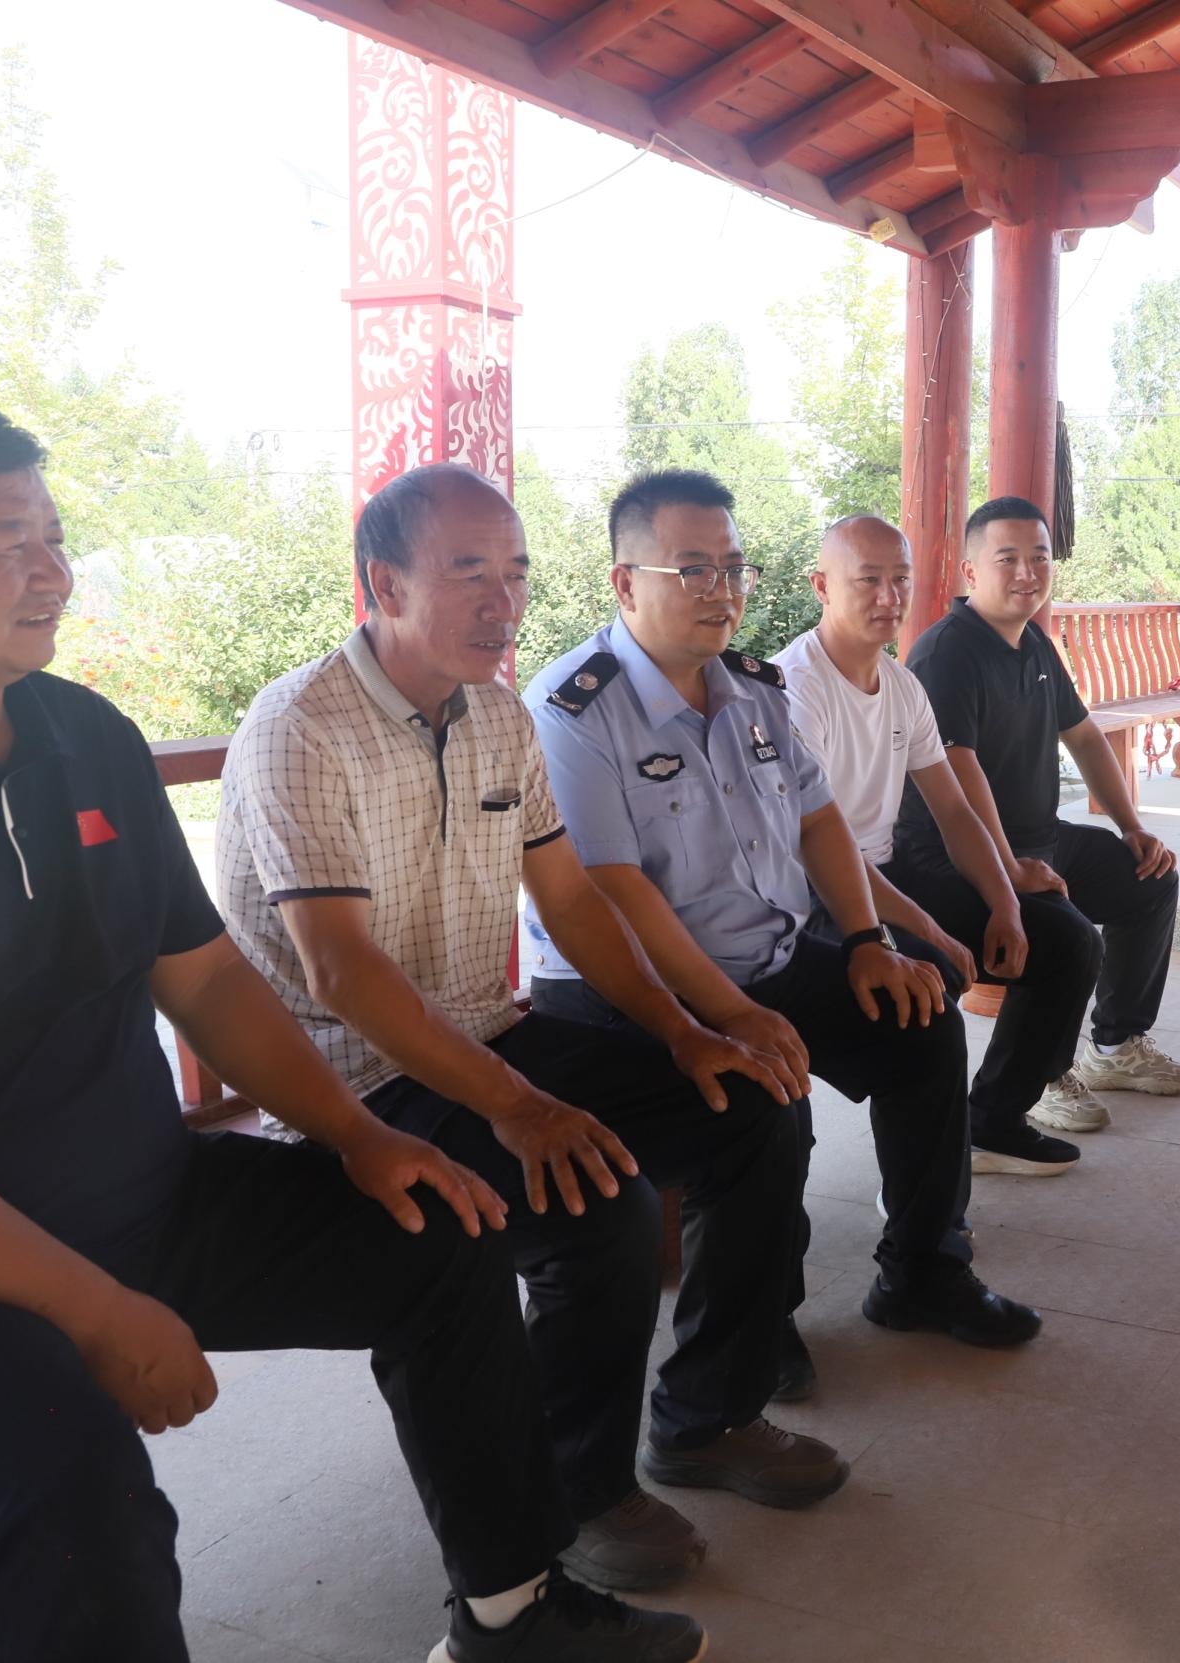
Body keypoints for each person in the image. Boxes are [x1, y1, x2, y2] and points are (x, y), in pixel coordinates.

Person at [0, 387, 702, 1663]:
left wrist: (360, 1136)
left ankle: (514, 1613)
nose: (54, 571)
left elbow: (212, 981)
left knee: (440, 1231)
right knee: (79, 1502)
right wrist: (91, 1306)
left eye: (54, 535)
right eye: (7, 540)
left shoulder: (83, 736)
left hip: (131, 1192)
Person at [215, 463, 843, 1596]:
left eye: (514, 573)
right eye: (468, 573)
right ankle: (578, 1492)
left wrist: (688, 1030)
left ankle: (709, 1414)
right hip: (355, 1082)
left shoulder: (499, 714)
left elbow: (574, 903)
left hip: (486, 1031)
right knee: (593, 1199)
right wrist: (520, 1106)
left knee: (748, 1100)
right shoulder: (299, 726)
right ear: (383, 584)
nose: (501, 602)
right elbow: (340, 970)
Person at [521, 469, 1041, 1395]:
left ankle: (922, 1268)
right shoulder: (574, 709)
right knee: (762, 1095)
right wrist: (732, 1015)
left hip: (766, 957)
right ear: (625, 582)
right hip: (632, 989)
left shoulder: (755, 688)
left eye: (733, 568)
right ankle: (761, 1322)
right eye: (693, 569)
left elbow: (819, 820)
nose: (721, 590)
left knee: (921, 1019)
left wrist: (869, 942)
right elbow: (614, 895)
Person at [775, 514, 1096, 1179]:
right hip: (817, 892)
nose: (888, 597)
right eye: (868, 580)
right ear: (821, 586)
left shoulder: (901, 685)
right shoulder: (795, 689)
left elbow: (954, 809)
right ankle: (914, 1188)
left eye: (901, 579)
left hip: (886, 871)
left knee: (1066, 939)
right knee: (923, 989)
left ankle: (995, 1120)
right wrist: (927, 930)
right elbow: (823, 848)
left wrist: (1004, 902)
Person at [884, 496, 1180, 1155]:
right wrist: (1006, 868)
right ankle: (1027, 1088)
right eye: (1008, 558)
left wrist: (1132, 826)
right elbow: (959, 773)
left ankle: (1114, 1045)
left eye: (1040, 557)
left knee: (1147, 878)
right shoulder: (947, 653)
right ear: (972, 570)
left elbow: (1082, 736)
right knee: (1062, 937)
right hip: (953, 858)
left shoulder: (1032, 642)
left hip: (1039, 839)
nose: (1028, 572)